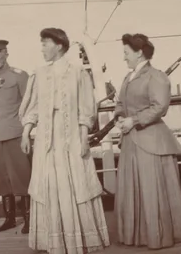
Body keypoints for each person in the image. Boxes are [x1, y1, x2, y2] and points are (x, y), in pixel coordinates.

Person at [18, 27, 111, 254]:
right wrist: (25, 133)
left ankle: (78, 239)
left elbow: (86, 108)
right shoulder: (39, 74)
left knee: (74, 182)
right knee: (49, 183)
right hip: (46, 138)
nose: (42, 49)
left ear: (59, 45)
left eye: (45, 43)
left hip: (69, 137)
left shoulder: (78, 73)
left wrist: (83, 137)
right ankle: (54, 240)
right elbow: (33, 108)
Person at [114, 33, 181, 249]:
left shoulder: (156, 76)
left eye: (126, 53)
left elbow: (160, 107)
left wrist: (134, 120)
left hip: (150, 142)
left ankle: (157, 236)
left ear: (139, 53)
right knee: (134, 190)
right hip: (131, 141)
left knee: (151, 190)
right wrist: (120, 117)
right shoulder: (127, 78)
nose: (124, 58)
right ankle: (137, 236)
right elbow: (121, 104)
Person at [0, 39, 33, 233]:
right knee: (1, 178)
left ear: (6, 53)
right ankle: (9, 219)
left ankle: (29, 220)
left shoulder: (20, 76)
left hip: (15, 134)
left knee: (22, 177)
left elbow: (28, 104)